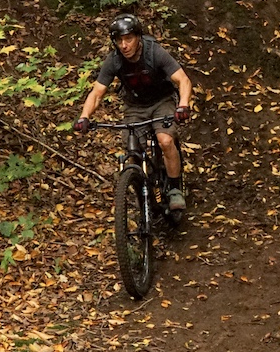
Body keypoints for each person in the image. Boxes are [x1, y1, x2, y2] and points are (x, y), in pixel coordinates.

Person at [74, 14, 192, 212]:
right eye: (119, 40)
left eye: (128, 39)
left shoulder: (155, 53)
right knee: (133, 150)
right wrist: (84, 117)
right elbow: (97, 93)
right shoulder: (114, 61)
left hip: (161, 102)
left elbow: (183, 80)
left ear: (138, 38)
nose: (124, 45)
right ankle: (140, 187)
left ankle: (173, 189)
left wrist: (183, 105)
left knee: (165, 141)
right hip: (135, 107)